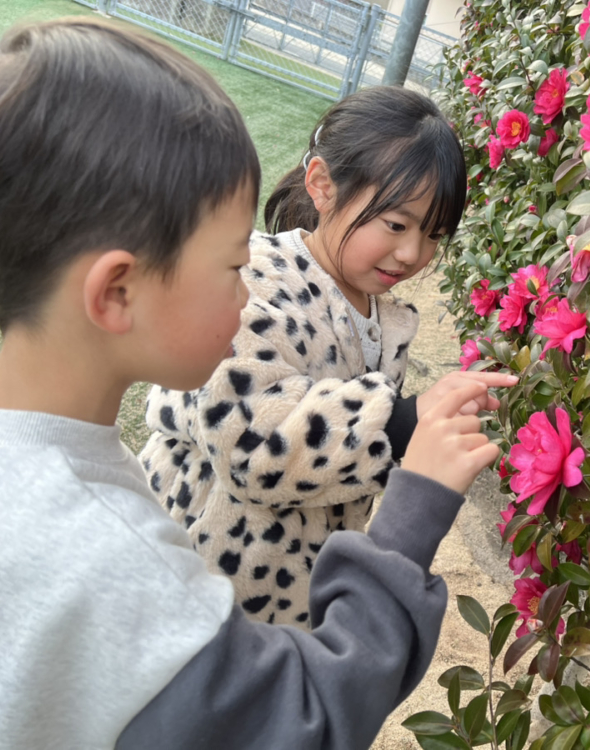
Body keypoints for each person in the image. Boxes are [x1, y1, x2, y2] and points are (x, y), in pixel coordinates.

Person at [0, 18, 513, 749]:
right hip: (233, 592)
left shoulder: (26, 460)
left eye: (433, 236)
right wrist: (410, 466)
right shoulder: (119, 564)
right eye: (231, 267)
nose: (244, 287)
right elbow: (302, 717)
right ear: (117, 292)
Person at [138, 85, 516, 628]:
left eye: (433, 235)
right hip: (190, 589)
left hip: (287, 604)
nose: (412, 253)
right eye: (395, 224)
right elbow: (251, 448)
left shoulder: (383, 318)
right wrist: (402, 421)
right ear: (322, 185)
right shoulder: (250, 281)